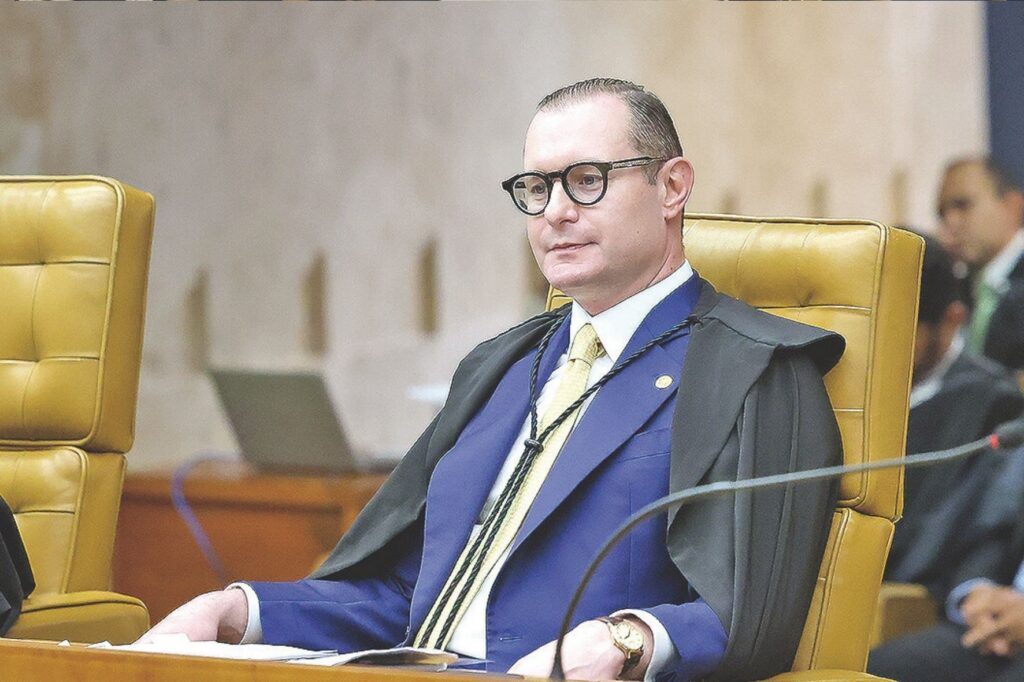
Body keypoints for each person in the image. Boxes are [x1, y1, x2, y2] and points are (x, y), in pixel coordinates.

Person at [142, 78, 844, 682]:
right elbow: (409, 597)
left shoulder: (753, 369)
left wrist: (627, 639)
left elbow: (748, 609)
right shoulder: (501, 366)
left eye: (587, 180)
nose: (555, 212)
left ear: (672, 186)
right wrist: (238, 610)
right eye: (536, 188)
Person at [884, 233, 1024, 598]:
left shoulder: (992, 401)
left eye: (896, 331)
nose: (878, 347)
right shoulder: (847, 388)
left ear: (951, 320)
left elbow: (957, 537)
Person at [937, 157, 1024, 370]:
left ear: (1012, 205)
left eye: (963, 205)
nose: (950, 221)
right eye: (942, 213)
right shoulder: (954, 293)